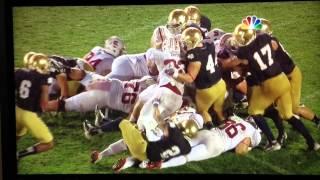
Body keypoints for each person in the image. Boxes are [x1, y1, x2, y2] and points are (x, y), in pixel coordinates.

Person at [228, 20, 319, 151]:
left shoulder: (243, 51)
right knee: (288, 115)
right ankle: (312, 143)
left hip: (269, 84)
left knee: (254, 111)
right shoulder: (265, 37)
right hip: (282, 79)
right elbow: (267, 42)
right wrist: (251, 24)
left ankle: (273, 141)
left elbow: (239, 62)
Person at [90, 105, 203, 173]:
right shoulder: (187, 148)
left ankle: (96, 130)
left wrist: (155, 105)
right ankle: (127, 163)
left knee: (122, 123)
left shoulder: (174, 130)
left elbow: (159, 122)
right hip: (150, 158)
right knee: (131, 145)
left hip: (145, 145)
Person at [258, 18, 320, 128]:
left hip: (292, 76)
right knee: (278, 106)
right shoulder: (266, 43)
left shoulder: (272, 43)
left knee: (293, 109)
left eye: (258, 34)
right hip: (282, 79)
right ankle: (291, 124)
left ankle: (317, 121)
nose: (256, 36)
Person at [140, 115, 261, 169]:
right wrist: (248, 148)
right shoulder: (253, 132)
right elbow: (239, 150)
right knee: (188, 156)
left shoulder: (237, 118)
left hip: (207, 133)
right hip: (218, 145)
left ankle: (148, 157)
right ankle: (161, 165)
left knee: (179, 146)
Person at [166, 27, 227, 129]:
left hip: (207, 90)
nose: (184, 44)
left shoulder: (193, 54)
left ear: (191, 42)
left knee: (202, 111)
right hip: (220, 84)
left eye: (186, 42)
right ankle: (222, 123)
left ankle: (212, 131)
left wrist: (175, 74)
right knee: (218, 108)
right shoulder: (209, 44)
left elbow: (190, 78)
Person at [46, 75, 156, 114]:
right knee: (66, 105)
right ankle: (40, 106)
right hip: (105, 97)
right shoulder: (152, 100)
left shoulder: (148, 80)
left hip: (109, 82)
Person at [16, 53, 54, 160]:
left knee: (18, 134)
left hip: (17, 109)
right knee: (48, 143)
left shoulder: (19, 72)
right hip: (29, 114)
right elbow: (45, 103)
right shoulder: (43, 77)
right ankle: (18, 155)